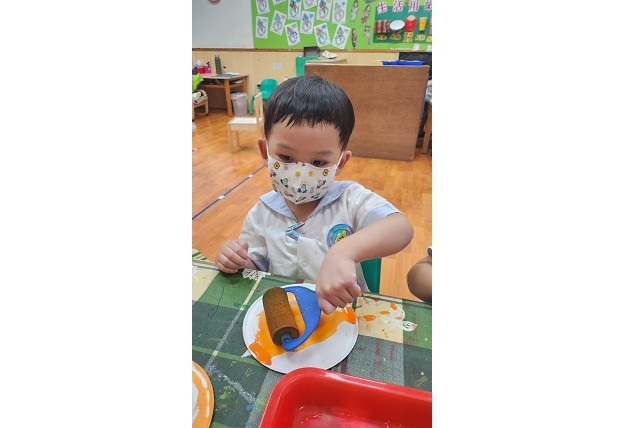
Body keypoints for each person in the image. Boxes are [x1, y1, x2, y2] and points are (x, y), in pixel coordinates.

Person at [215, 75, 414, 314]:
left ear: (341, 162)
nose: (301, 173)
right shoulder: (261, 214)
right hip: (289, 315)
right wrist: (235, 259)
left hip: (345, 315)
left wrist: (343, 252)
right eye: (286, 158)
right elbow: (255, 266)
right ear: (265, 152)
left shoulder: (350, 199)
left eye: (318, 162)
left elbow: (401, 228)